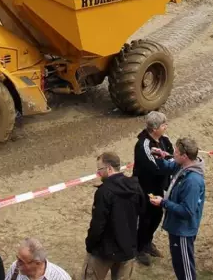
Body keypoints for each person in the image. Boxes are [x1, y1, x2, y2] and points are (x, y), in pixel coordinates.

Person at [83, 152, 146, 280]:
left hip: (104, 252)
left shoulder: (104, 192)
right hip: (127, 249)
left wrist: (90, 244)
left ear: (109, 168)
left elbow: (97, 225)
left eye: (100, 169)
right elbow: (143, 213)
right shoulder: (135, 187)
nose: (98, 173)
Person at [149, 138, 206, 280]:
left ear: (185, 156)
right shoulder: (183, 167)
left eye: (175, 152)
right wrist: (161, 157)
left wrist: (163, 203)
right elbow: (168, 166)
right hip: (177, 227)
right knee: (178, 266)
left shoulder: (192, 181)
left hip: (183, 231)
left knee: (185, 270)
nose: (172, 154)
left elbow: (187, 211)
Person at [132, 110, 174, 265]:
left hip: (160, 186)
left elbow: (171, 154)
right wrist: (170, 164)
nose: (166, 126)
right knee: (144, 218)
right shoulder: (143, 144)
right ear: (154, 128)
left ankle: (148, 241)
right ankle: (138, 247)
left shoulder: (164, 139)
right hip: (145, 188)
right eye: (164, 124)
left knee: (157, 216)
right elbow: (155, 166)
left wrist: (167, 158)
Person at [5, 238, 71, 280]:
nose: (17, 263)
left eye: (21, 261)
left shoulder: (61, 277)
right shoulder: (14, 268)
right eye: (17, 258)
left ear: (37, 263)